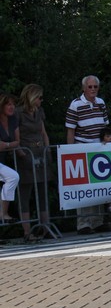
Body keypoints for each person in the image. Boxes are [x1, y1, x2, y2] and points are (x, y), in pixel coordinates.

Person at [65, 75, 110, 234]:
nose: (93, 89)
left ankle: (98, 221)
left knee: (99, 186)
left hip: (99, 149)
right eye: (90, 87)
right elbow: (70, 130)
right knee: (84, 187)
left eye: (95, 87)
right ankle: (83, 223)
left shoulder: (101, 103)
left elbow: (105, 126)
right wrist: (70, 151)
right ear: (84, 88)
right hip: (82, 148)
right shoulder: (75, 105)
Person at [16, 84, 52, 235]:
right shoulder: (18, 113)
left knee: (43, 191)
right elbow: (15, 136)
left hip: (40, 151)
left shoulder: (39, 111)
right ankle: (27, 232)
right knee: (25, 193)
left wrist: (48, 149)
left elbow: (43, 132)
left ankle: (45, 228)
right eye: (39, 97)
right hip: (26, 153)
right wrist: (21, 154)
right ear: (32, 97)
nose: (41, 100)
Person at [0, 94, 23, 238]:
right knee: (13, 176)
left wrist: (6, 145)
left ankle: (3, 213)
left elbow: (17, 142)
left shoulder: (13, 119)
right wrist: (10, 144)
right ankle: (3, 213)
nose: (12, 107)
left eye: (13, 104)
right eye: (8, 104)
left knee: (12, 177)